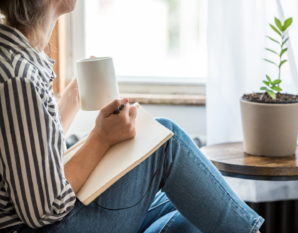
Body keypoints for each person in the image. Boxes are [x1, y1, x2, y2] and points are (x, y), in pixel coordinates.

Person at [0, 0, 264, 232]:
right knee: (166, 141)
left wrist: (70, 102)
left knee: (196, 202)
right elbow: (45, 208)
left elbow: (32, 162)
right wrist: (100, 138)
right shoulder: (18, 78)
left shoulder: (14, 61)